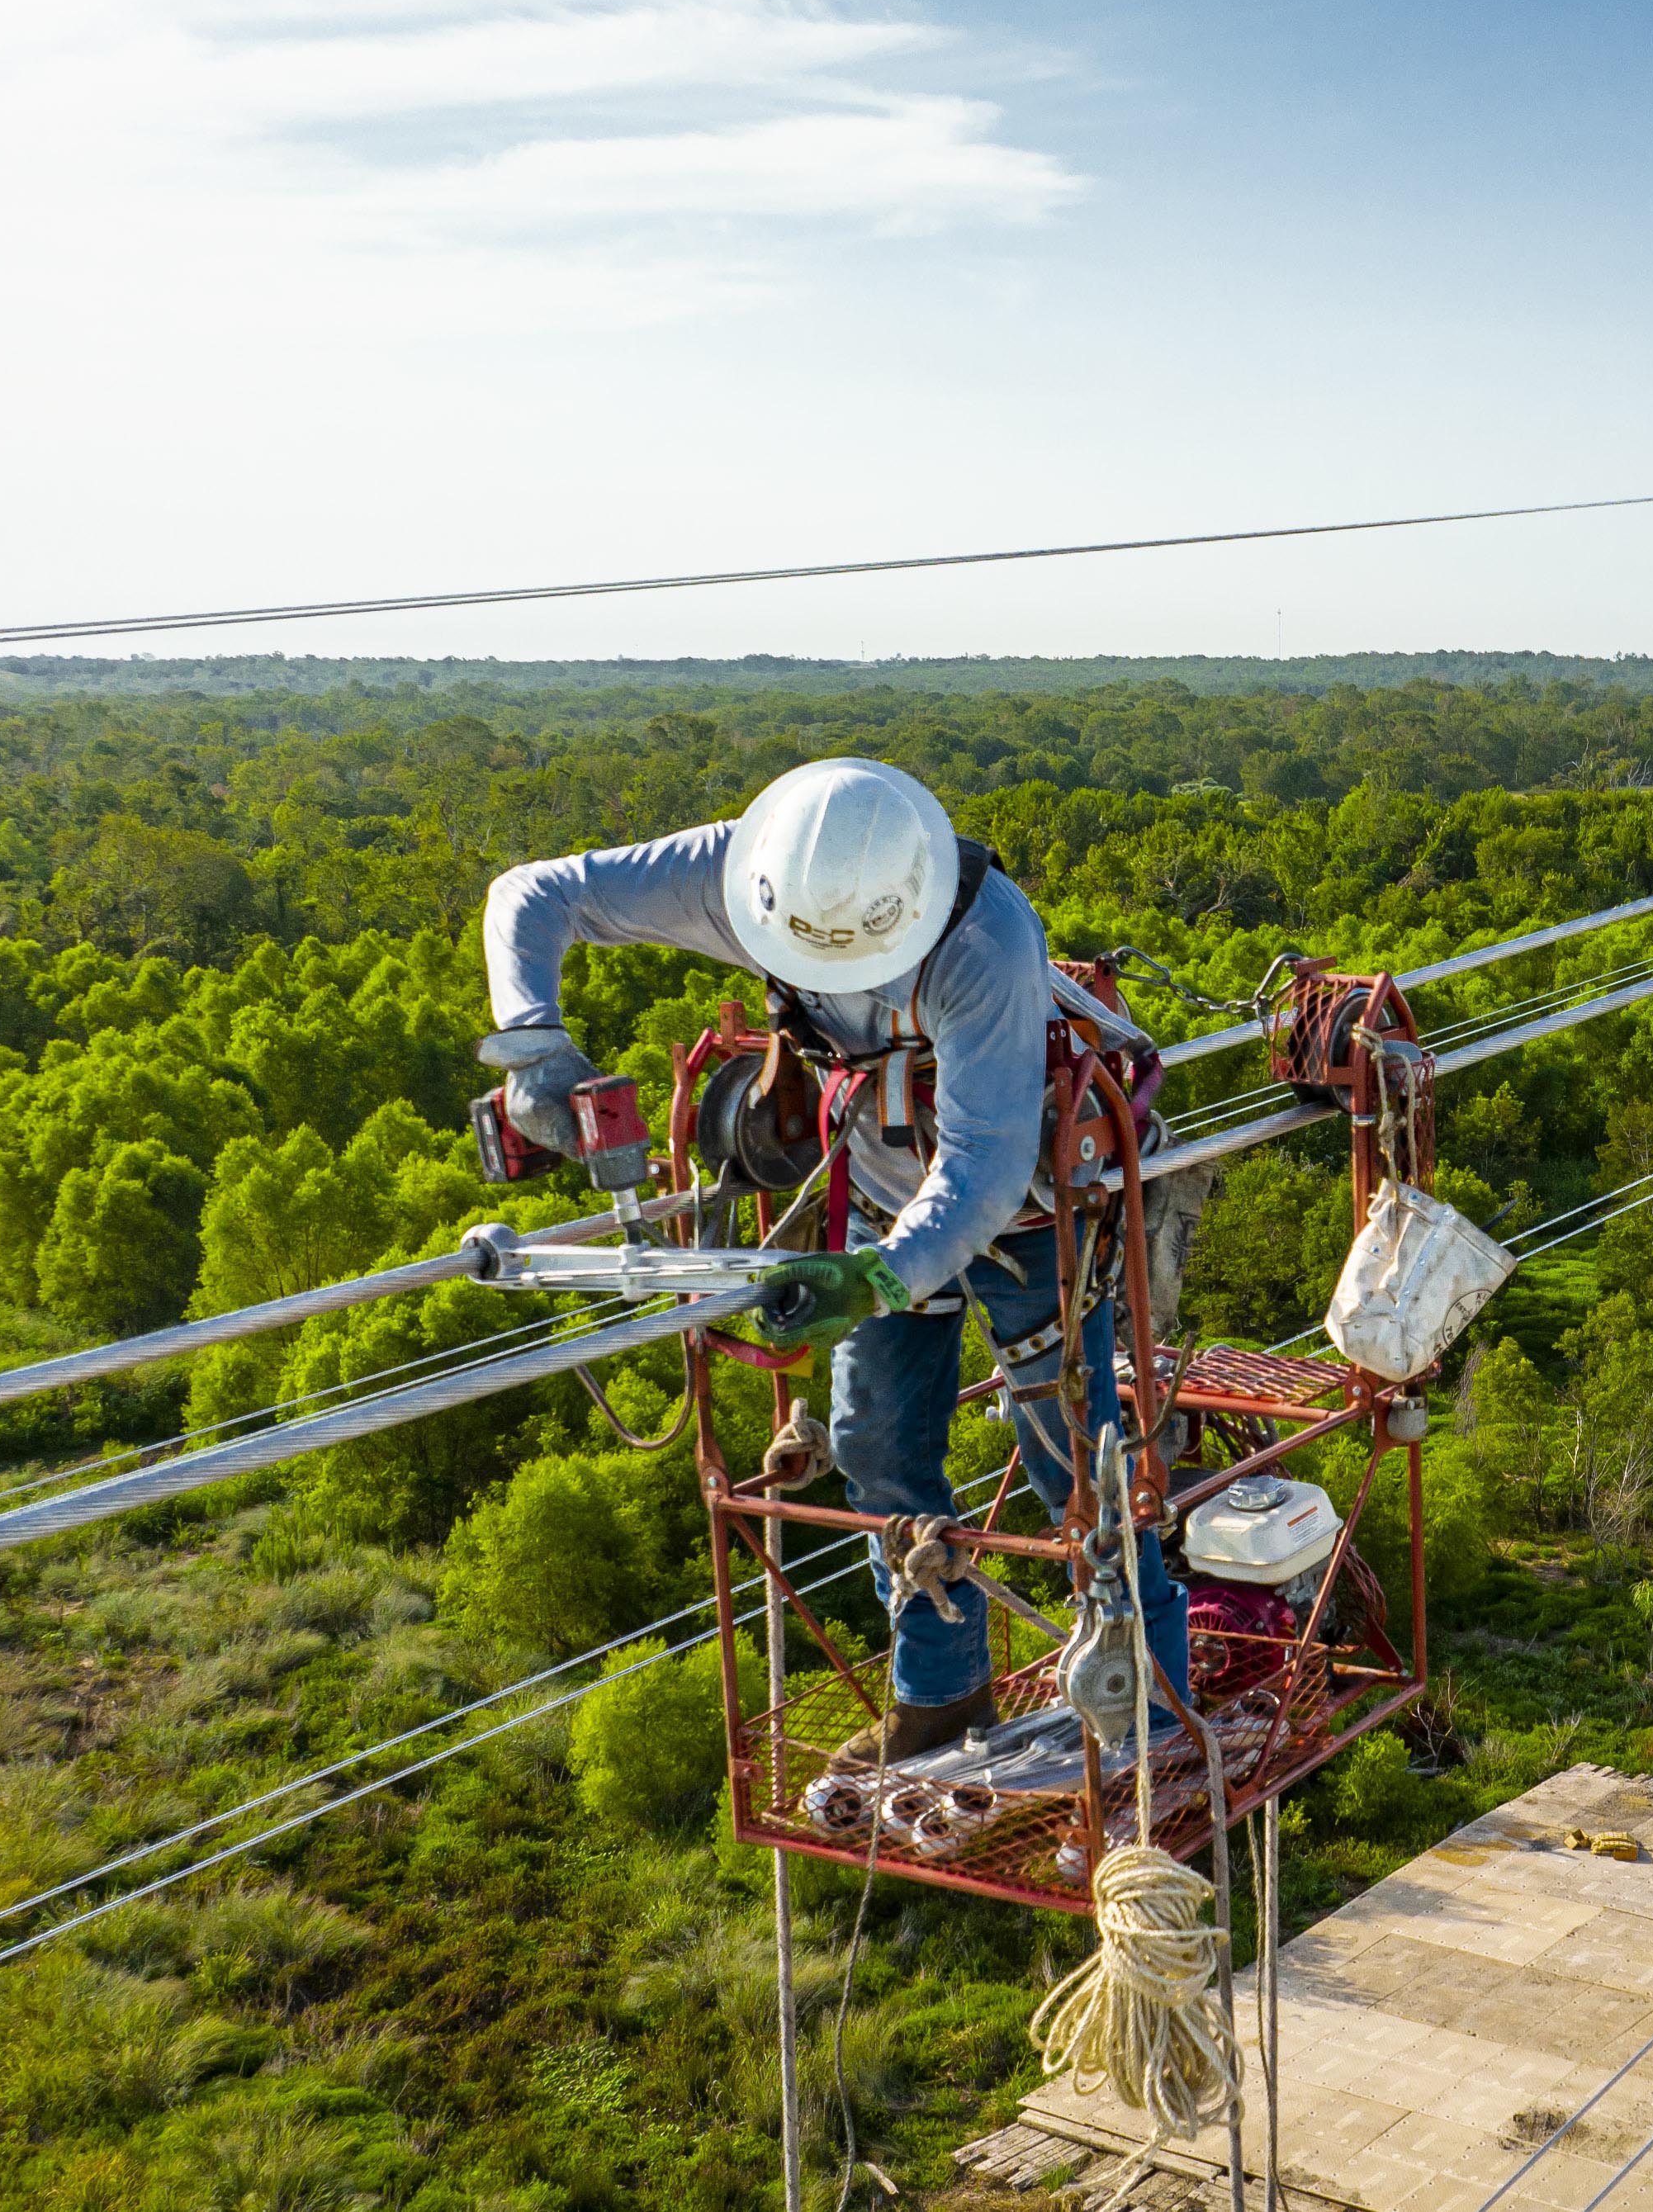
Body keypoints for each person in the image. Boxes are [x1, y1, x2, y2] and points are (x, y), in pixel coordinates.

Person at [477, 757, 1183, 1768]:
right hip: (888, 1186)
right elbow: (532, 894)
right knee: (876, 1442)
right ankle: (939, 1693)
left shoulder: (982, 939)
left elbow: (983, 1171)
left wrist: (878, 1278)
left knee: (1078, 1459)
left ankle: (1146, 1704)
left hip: (1029, 1209)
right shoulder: (740, 870)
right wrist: (534, 1041)